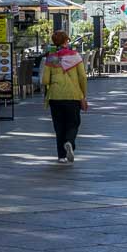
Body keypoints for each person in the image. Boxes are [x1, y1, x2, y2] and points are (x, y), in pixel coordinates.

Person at [41, 30, 88, 163]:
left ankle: (61, 156)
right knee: (74, 123)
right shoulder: (75, 56)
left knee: (58, 125)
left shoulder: (52, 57)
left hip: (55, 97)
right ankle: (69, 142)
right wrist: (83, 95)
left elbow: (44, 80)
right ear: (66, 41)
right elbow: (83, 77)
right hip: (73, 95)